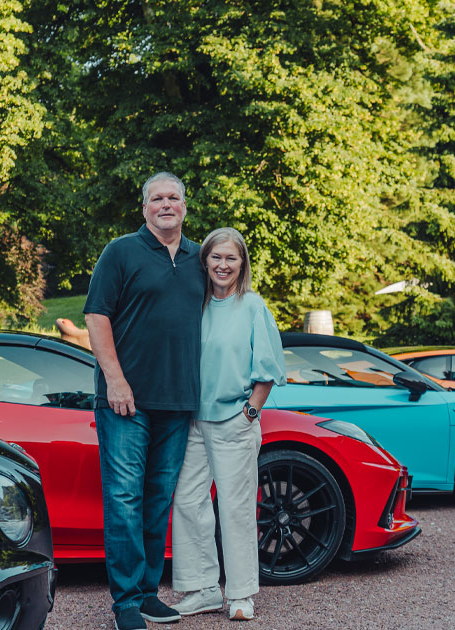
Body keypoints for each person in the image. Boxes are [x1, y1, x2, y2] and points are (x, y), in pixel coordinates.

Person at [83, 172, 206, 630]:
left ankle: (149, 593)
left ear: (185, 206)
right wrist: (116, 382)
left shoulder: (200, 259)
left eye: (174, 197)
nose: (166, 204)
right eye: (157, 198)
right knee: (124, 499)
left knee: (158, 500)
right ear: (145, 208)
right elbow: (96, 317)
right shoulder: (120, 252)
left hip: (178, 401)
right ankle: (126, 604)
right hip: (125, 403)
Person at [170, 227, 286, 622]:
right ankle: (202, 589)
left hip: (234, 421)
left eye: (230, 258)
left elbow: (267, 369)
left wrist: (250, 413)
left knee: (235, 509)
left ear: (242, 263)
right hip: (193, 422)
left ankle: (240, 594)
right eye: (216, 257)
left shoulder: (252, 306)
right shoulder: (196, 305)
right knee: (188, 502)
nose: (223, 265)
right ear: (204, 261)